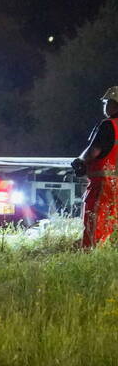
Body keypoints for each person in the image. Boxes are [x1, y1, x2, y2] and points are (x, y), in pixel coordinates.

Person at [72, 87, 118, 247]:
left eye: (107, 102)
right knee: (113, 226)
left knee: (96, 222)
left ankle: (91, 255)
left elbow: (94, 150)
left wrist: (80, 161)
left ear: (114, 104)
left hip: (104, 186)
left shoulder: (108, 125)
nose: (105, 106)